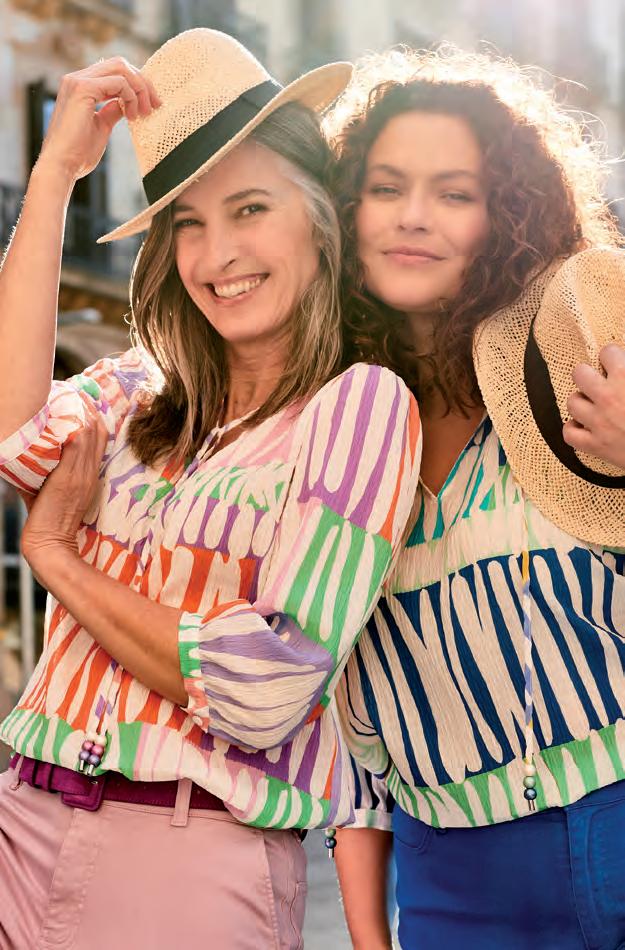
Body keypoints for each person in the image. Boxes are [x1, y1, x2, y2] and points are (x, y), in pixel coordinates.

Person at [0, 29, 421, 948]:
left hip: (186, 858)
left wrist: (57, 560)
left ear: (319, 217)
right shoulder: (134, 391)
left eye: (250, 208)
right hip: (18, 821)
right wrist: (54, 178)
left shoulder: (359, 409)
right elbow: (8, 431)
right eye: (186, 223)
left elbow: (265, 686)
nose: (216, 252)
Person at [324, 45, 625, 949]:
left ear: (504, 216)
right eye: (385, 187)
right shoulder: (327, 430)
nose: (413, 217)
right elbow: (346, 728)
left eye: (454, 193)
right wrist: (369, 935)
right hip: (450, 879)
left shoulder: (574, 369)